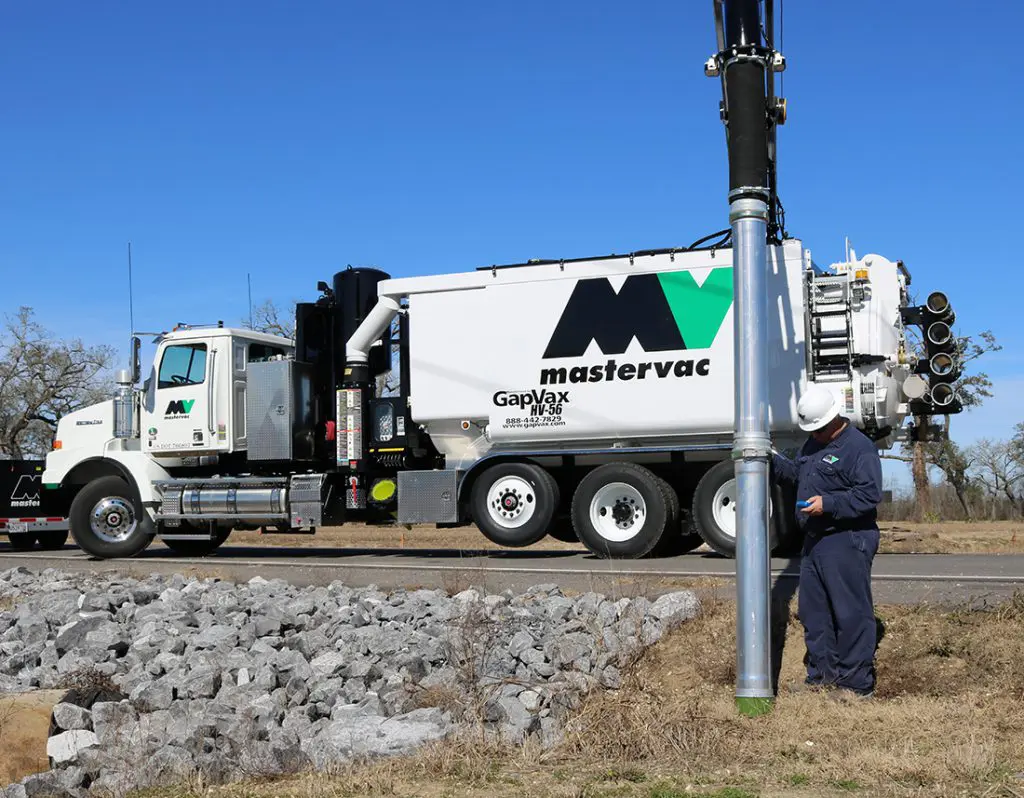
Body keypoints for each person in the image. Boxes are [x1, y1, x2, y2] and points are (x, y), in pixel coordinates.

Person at [772, 384, 883, 699]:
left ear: (835, 419)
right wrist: (772, 461)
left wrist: (828, 504)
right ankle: (822, 676)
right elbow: (798, 475)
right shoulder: (813, 444)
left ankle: (855, 684)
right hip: (816, 540)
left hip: (846, 537)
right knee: (814, 611)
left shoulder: (859, 448)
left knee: (850, 612)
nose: (814, 434)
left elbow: (869, 494)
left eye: (818, 429)